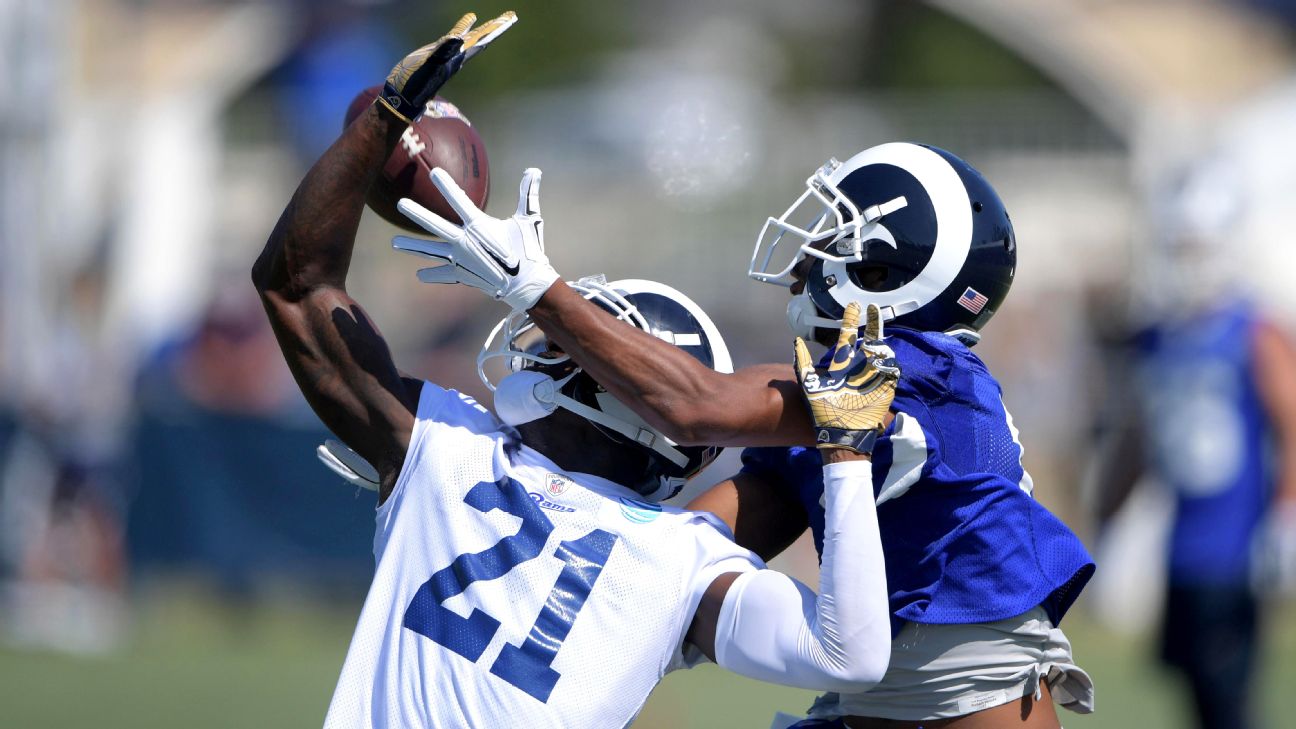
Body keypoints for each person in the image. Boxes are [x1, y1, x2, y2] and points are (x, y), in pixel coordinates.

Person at [252, 13, 900, 727]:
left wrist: (379, 124)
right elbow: (849, 653)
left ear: (611, 395)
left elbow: (297, 285)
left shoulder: (447, 452)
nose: (537, 348)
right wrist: (844, 459)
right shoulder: (682, 559)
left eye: (567, 348)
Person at [398, 144, 1097, 727]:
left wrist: (536, 290)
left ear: (888, 273)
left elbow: (691, 404)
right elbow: (705, 536)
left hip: (970, 687)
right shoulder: (843, 396)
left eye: (838, 237)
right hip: (883, 686)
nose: (811, 252)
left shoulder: (916, 372)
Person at [1093, 166, 1296, 729]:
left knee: (1228, 702)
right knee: (1192, 695)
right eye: (1180, 246)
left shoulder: (1254, 329)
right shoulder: (1156, 336)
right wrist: (1108, 529)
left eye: (1199, 246)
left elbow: (1291, 422)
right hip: (1179, 547)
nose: (1189, 261)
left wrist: (1287, 514)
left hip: (1237, 548)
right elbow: (1137, 440)